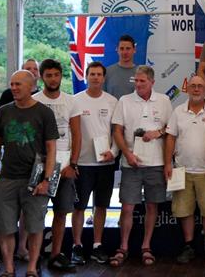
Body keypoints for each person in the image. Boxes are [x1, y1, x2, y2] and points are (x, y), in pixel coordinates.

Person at [0, 70, 59, 277]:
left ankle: (31, 268)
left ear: (31, 87)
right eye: (12, 84)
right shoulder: (3, 111)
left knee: (35, 226)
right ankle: (9, 268)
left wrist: (46, 179)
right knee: (5, 226)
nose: (14, 88)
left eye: (18, 84)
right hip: (8, 178)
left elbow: (51, 148)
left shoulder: (44, 113)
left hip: (34, 179)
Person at [109, 65, 173, 267]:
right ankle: (124, 247)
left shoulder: (164, 100)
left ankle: (146, 246)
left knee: (152, 205)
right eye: (135, 81)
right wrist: (127, 154)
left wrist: (158, 133)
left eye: (142, 81)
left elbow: (171, 129)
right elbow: (117, 131)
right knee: (127, 206)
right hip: (131, 163)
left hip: (156, 163)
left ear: (152, 82)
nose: (137, 84)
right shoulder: (125, 101)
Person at [0, 59, 40, 270]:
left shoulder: (41, 106)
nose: (16, 87)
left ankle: (22, 248)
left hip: (31, 174)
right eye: (27, 69)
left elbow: (49, 144)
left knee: (28, 217)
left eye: (34, 70)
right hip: (9, 173)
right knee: (3, 217)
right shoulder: (6, 103)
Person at [31, 59, 83, 272]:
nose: (53, 79)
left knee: (62, 212)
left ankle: (55, 255)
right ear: (42, 77)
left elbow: (77, 134)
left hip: (65, 166)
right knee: (36, 213)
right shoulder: (34, 100)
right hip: (40, 165)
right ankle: (33, 257)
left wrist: (73, 163)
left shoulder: (71, 101)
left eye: (56, 75)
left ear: (61, 76)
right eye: (48, 75)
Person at [164, 76, 205, 265]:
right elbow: (170, 138)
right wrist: (168, 164)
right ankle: (188, 246)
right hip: (182, 170)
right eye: (193, 86)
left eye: (200, 86)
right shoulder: (178, 111)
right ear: (187, 89)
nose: (196, 89)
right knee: (184, 210)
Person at [70, 62, 119, 264]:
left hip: (105, 164)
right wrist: (72, 161)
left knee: (101, 206)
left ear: (104, 78)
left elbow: (118, 132)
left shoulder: (112, 101)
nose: (96, 77)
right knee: (79, 207)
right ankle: (77, 246)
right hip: (82, 163)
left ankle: (97, 245)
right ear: (86, 77)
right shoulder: (75, 101)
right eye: (92, 74)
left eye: (99, 74)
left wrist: (114, 152)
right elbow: (72, 133)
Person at [104, 35, 138, 99]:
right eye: (122, 48)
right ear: (117, 50)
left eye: (128, 48)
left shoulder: (141, 73)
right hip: (112, 108)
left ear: (134, 50)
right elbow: (102, 96)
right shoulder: (107, 72)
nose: (125, 52)